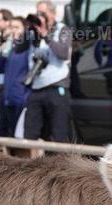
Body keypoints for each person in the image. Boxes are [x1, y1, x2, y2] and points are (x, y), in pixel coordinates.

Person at [20, 1, 72, 142]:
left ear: (53, 13)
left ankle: (60, 164)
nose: (39, 16)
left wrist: (45, 34)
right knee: (30, 133)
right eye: (37, 13)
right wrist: (27, 30)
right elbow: (17, 49)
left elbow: (63, 53)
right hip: (36, 87)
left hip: (56, 86)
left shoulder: (63, 29)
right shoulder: (33, 32)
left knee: (58, 133)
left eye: (42, 13)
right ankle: (30, 162)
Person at [0, 16, 32, 137]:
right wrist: (3, 53)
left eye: (17, 27)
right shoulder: (10, 47)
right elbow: (0, 69)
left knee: (18, 134)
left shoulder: (27, 48)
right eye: (11, 27)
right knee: (6, 132)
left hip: (20, 97)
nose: (13, 30)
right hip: (7, 97)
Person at [0, 8, 13, 136]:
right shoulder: (2, 39)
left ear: (7, 21)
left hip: (6, 85)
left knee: (4, 124)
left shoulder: (12, 40)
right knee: (0, 119)